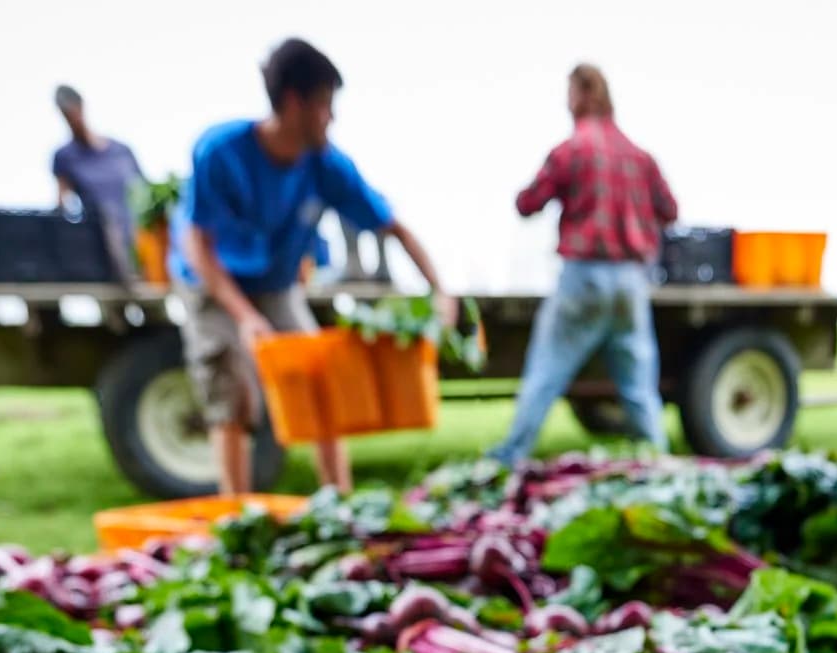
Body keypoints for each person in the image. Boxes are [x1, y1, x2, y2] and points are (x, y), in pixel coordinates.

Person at [179, 38, 456, 494]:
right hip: (213, 282)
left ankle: (340, 502)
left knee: (319, 382)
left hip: (277, 284)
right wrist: (246, 320)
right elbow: (198, 244)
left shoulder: (327, 166)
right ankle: (236, 514)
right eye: (326, 104)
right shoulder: (220, 152)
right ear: (294, 102)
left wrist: (439, 289)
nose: (333, 116)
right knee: (234, 392)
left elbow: (393, 228)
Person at [490, 65, 677, 464]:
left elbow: (528, 203)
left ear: (580, 94)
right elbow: (670, 209)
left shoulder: (570, 151)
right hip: (630, 278)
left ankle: (509, 456)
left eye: (568, 92)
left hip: (585, 276)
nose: (566, 101)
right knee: (639, 385)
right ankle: (659, 459)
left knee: (546, 371)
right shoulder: (638, 156)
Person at [50, 85, 146, 283]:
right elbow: (61, 205)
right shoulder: (65, 157)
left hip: (139, 238)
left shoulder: (121, 151)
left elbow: (144, 192)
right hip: (105, 246)